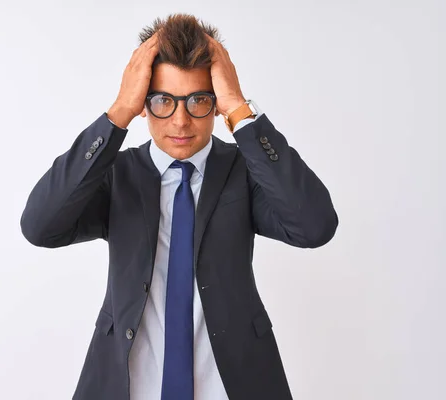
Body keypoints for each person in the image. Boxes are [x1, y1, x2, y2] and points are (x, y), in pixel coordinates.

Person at [20, 13, 338, 400]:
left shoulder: (243, 170)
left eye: (199, 100)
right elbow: (40, 226)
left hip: (234, 386)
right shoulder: (117, 174)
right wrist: (118, 111)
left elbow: (315, 226)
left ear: (215, 101)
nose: (181, 121)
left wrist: (239, 108)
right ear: (143, 102)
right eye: (163, 101)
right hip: (127, 388)